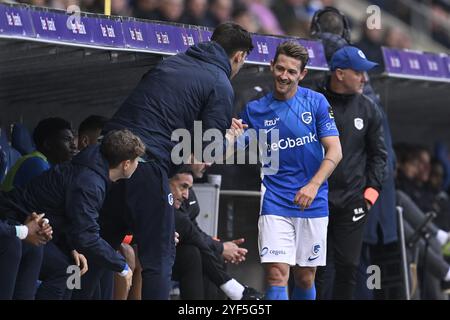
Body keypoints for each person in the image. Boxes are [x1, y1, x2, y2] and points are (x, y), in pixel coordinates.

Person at [96, 22, 253, 299]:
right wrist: (229, 138)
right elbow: (205, 152)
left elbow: (166, 111)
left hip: (106, 157)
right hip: (144, 166)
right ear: (239, 56)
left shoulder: (171, 63)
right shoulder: (220, 82)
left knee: (99, 247)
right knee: (159, 257)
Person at [236, 41, 342, 300]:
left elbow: (335, 151)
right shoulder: (255, 109)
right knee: (276, 274)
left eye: (292, 71)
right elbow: (233, 147)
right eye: (280, 68)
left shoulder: (316, 102)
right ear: (271, 67)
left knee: (305, 277)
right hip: (275, 201)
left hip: (312, 203)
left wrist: (313, 184)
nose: (284, 76)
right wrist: (229, 136)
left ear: (302, 74)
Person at [0, 129, 145, 299]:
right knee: (64, 269)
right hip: (16, 220)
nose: (138, 165)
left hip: (42, 226)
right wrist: (123, 267)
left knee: (77, 266)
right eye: (136, 161)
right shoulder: (90, 182)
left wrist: (72, 246)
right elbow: (85, 236)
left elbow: (72, 219)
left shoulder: (93, 166)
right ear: (126, 164)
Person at [314, 46, 388, 300]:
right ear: (340, 73)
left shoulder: (369, 109)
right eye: (359, 73)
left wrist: (369, 195)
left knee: (348, 268)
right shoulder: (313, 100)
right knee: (314, 268)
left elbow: (379, 156)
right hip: (315, 198)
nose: (364, 78)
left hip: (352, 202)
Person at [171, 167, 262, 300]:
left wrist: (219, 247)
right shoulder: (162, 195)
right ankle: (231, 287)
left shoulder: (187, 195)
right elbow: (189, 231)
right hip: (156, 255)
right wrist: (221, 247)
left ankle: (230, 288)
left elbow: (193, 229)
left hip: (178, 251)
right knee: (192, 253)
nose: (186, 194)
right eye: (183, 187)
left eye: (188, 188)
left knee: (209, 252)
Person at [2, 117, 77, 192]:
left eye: (73, 140)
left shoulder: (48, 165)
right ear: (48, 144)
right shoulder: (36, 164)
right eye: (67, 139)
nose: (74, 146)